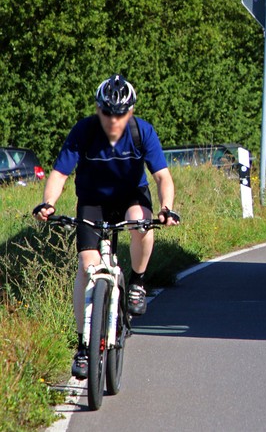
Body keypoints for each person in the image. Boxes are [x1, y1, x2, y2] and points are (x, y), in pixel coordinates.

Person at [32, 74, 180, 380]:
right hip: (93, 201)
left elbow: (163, 176)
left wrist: (166, 208)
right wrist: (48, 203)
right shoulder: (84, 131)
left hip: (131, 196)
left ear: (131, 112)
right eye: (107, 113)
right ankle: (84, 346)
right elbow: (60, 173)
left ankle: (137, 282)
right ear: (98, 110)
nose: (114, 121)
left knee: (142, 224)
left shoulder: (143, 132)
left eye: (121, 114)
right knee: (87, 268)